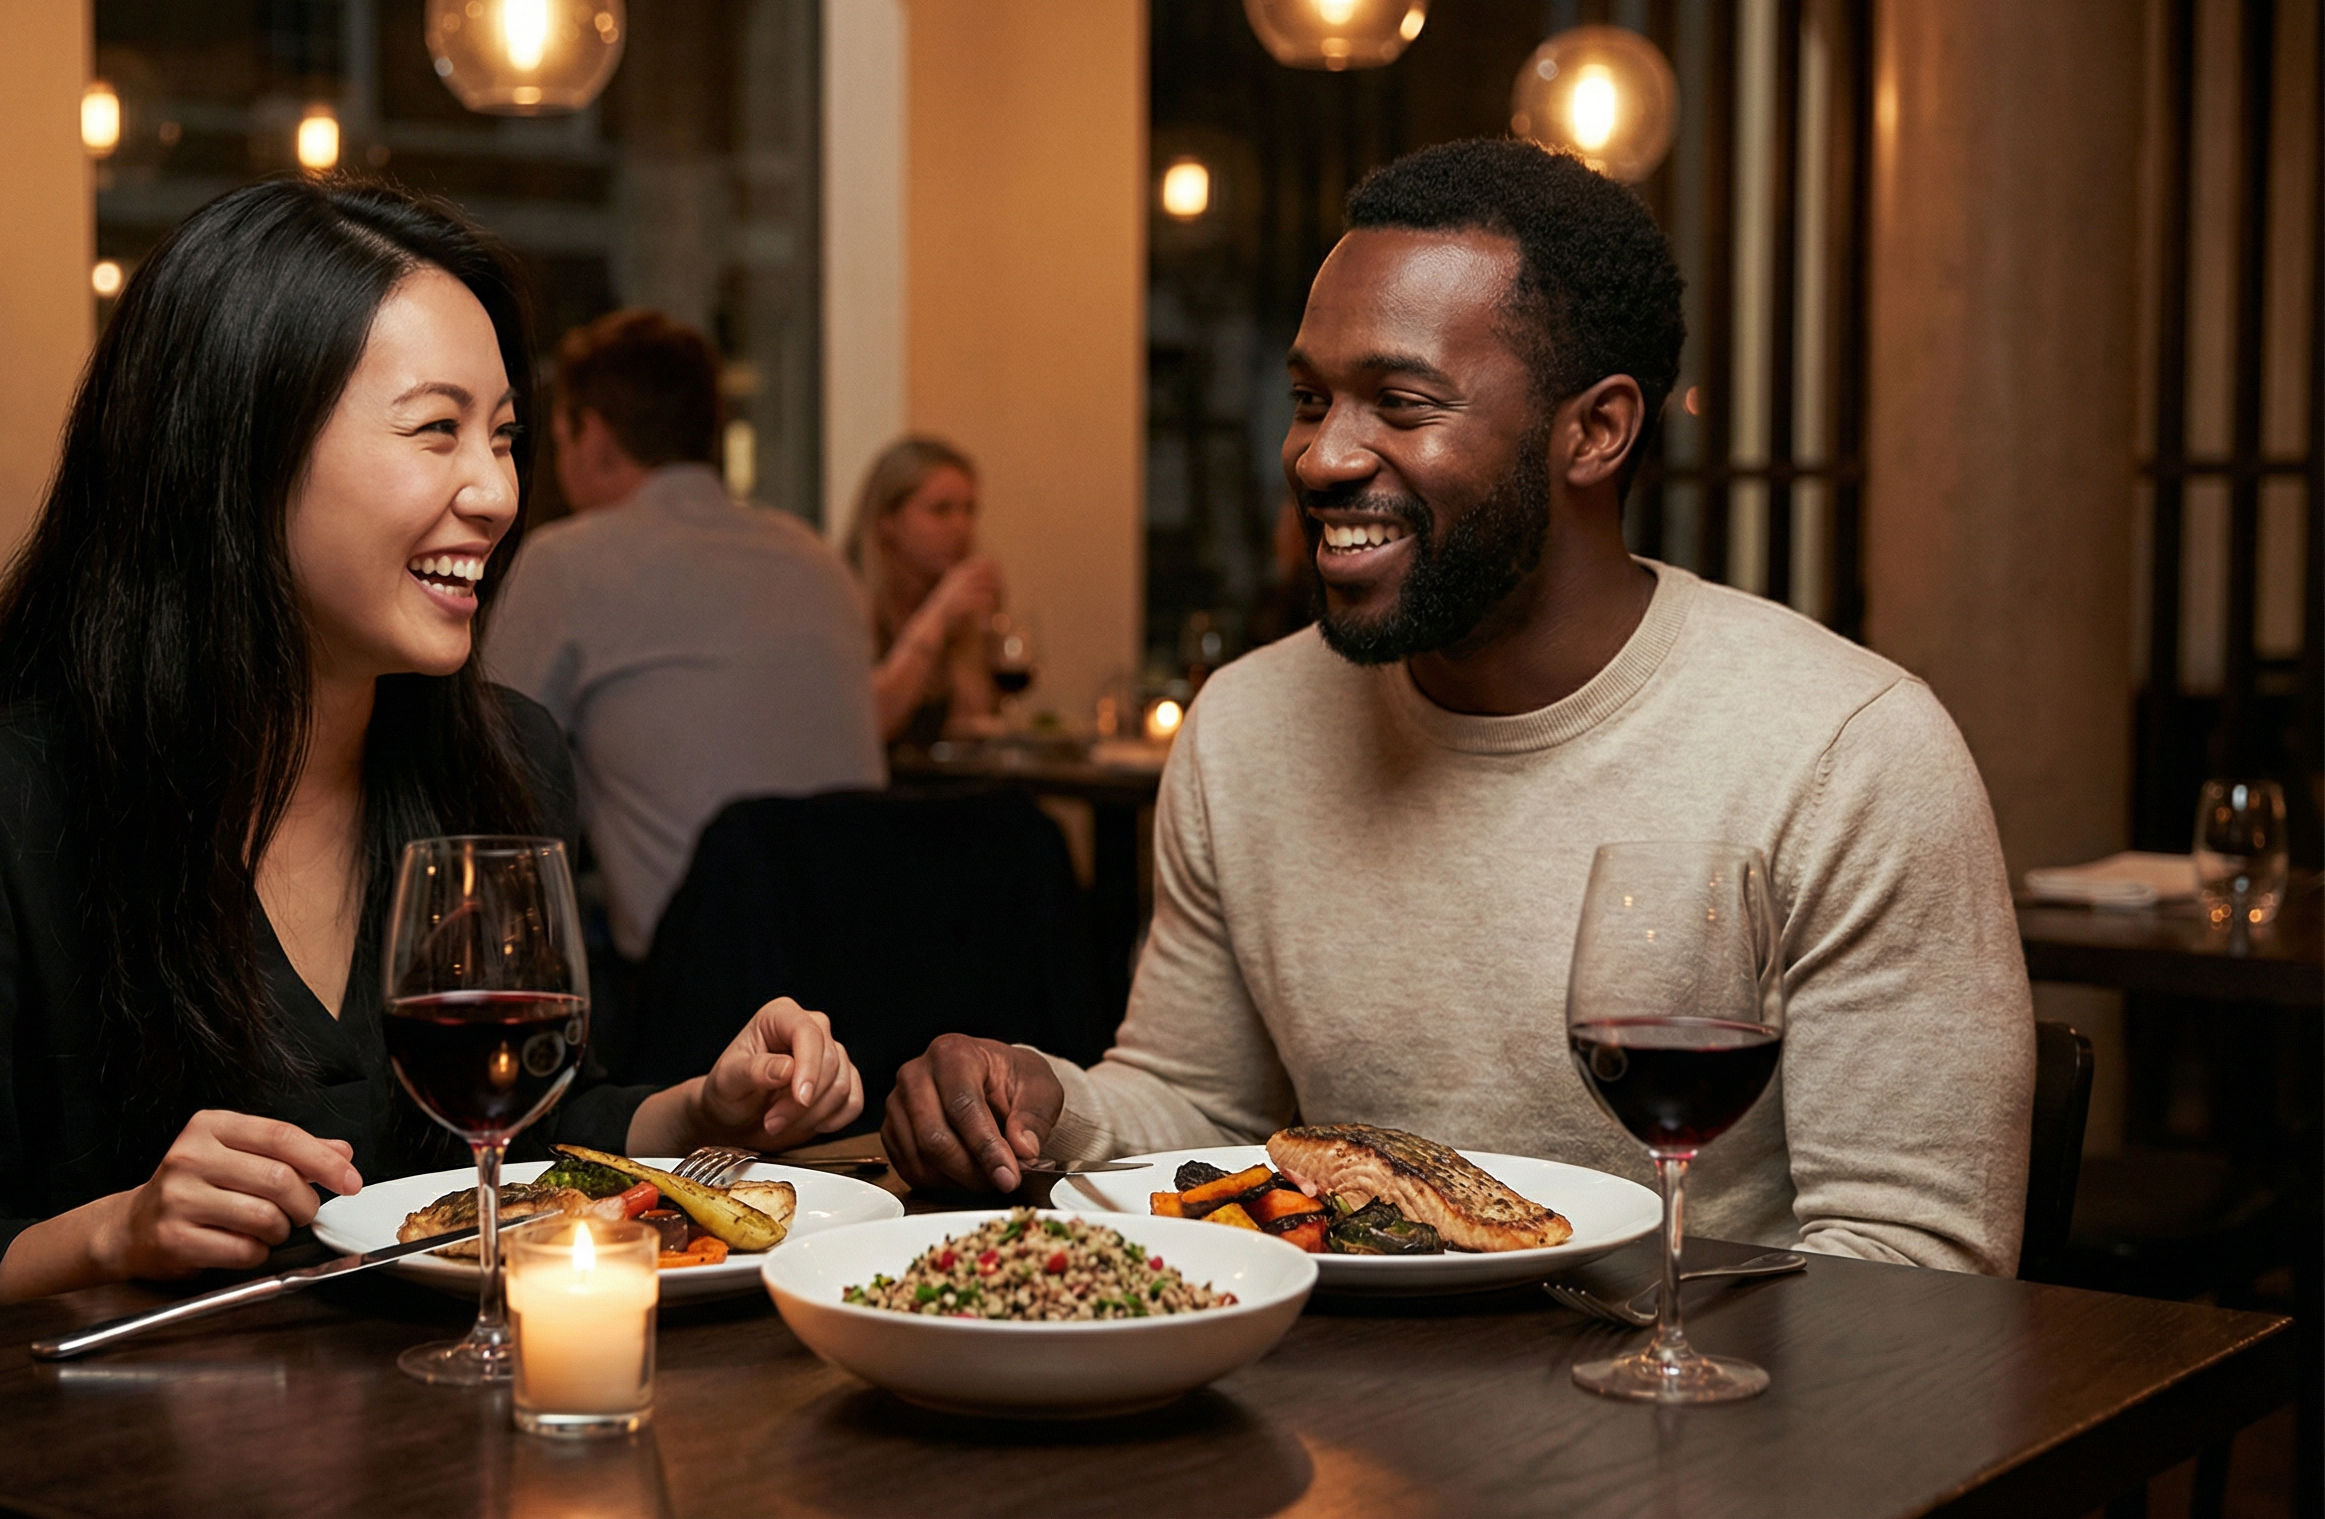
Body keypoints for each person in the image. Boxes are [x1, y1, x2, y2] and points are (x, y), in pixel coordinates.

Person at [881, 139, 2035, 1274]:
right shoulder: (1243, 729)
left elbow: (1908, 1268)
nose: (1322, 457)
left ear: (1596, 431)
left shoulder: (1847, 753)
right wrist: (1037, 1100)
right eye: (1307, 397)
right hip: (1337, 1431)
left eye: (1399, 402)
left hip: (1695, 1420)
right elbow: (1197, 1107)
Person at [0, 180, 865, 1334]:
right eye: (436, 430)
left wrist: (695, 1116)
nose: (498, 494)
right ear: (239, 454)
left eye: (506, 437)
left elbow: (516, 1148)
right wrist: (115, 1234)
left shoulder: (502, 758)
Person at [485, 309, 884, 966]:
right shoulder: (819, 561)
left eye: (559, 439)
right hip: (867, 973)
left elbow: (480, 760)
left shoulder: (570, 564)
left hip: (696, 995)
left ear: (596, 438)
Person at [841, 437, 1003, 745]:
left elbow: (971, 730)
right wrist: (936, 619)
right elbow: (867, 725)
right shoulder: (848, 602)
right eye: (941, 511)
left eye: (969, 511)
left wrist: (974, 632)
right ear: (886, 522)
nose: (961, 527)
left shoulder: (958, 603)